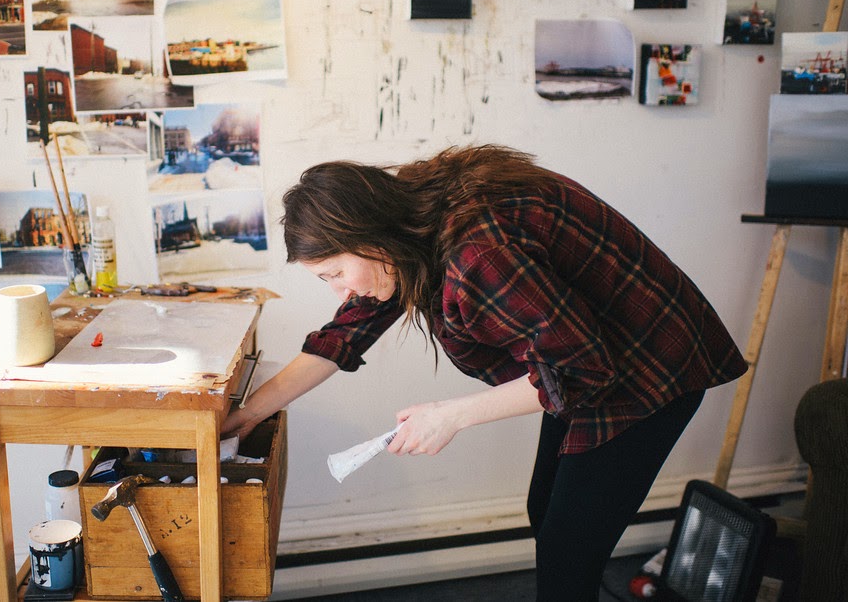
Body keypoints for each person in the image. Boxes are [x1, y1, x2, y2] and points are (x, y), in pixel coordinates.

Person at [221, 144, 747, 601]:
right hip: (582, 351)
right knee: (547, 512)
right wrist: (248, 413)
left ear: (368, 237)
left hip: (649, 364)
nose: (342, 291)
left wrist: (450, 416)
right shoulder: (408, 222)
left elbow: (578, 370)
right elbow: (344, 334)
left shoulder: (478, 254)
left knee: (569, 546)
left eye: (336, 273)